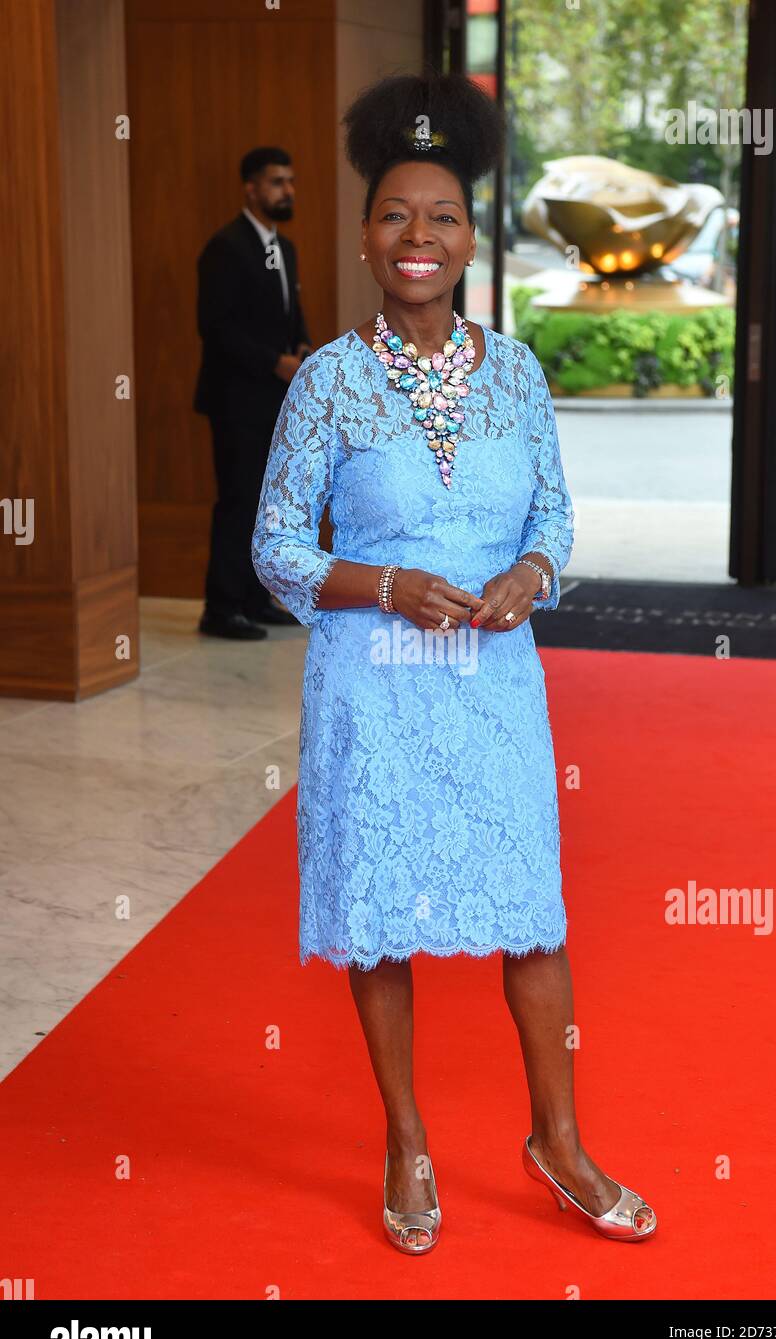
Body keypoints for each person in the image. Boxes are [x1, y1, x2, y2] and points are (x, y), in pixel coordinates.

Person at [252, 72, 658, 1254]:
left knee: (531, 917)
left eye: (440, 216)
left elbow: (552, 519)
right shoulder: (326, 379)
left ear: (471, 238)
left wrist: (528, 578)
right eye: (393, 215)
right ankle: (406, 1141)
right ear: (366, 236)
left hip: (494, 687)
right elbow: (275, 545)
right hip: (368, 691)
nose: (417, 236)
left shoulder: (519, 373)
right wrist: (382, 584)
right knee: (378, 921)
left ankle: (559, 1141)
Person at [194, 146, 312, 639]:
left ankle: (253, 597)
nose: (287, 190)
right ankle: (221, 608)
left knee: (268, 504)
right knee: (239, 501)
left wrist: (302, 347)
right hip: (237, 400)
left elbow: (289, 312)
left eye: (290, 181)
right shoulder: (226, 246)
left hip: (274, 401)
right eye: (276, 182)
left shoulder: (283, 247)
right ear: (252, 188)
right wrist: (275, 361)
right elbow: (215, 328)